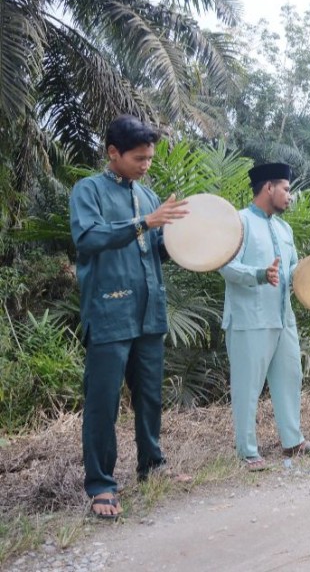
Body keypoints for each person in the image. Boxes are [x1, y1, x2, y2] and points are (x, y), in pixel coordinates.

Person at [69, 115, 190, 520]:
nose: (146, 166)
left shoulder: (150, 197)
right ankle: (102, 485)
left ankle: (151, 466)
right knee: (103, 401)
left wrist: (188, 241)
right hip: (108, 312)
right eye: (139, 158)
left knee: (150, 397)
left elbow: (155, 248)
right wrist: (144, 223)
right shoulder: (88, 191)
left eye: (150, 159)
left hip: (149, 311)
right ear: (113, 153)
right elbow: (89, 237)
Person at [219, 163, 310, 471]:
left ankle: (293, 441)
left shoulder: (284, 228)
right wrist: (257, 274)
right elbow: (225, 264)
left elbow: (291, 269)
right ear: (269, 188)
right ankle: (247, 450)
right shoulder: (239, 222)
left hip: (283, 316)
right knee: (247, 386)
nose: (290, 197)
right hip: (248, 318)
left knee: (290, 379)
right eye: (287, 189)